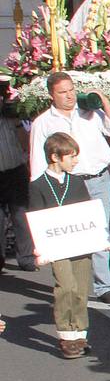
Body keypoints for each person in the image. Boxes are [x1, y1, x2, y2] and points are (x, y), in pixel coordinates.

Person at [28, 72, 110, 305]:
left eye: (71, 90)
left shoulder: (90, 113)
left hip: (98, 178)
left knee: (99, 230)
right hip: (68, 183)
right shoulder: (43, 122)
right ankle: (69, 284)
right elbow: (38, 161)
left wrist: (104, 101)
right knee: (70, 232)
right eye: (63, 92)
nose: (69, 95)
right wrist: (43, 191)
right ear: (52, 95)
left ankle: (103, 286)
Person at [28, 132, 100, 358]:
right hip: (56, 247)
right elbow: (36, 217)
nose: (75, 161)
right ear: (54, 157)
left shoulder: (77, 182)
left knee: (80, 289)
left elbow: (88, 214)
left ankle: (80, 333)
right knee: (66, 287)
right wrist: (39, 248)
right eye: (71, 156)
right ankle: (66, 335)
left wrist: (100, 238)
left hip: (80, 244)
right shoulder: (38, 185)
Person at [0, 105, 36, 272]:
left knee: (21, 215)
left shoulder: (11, 118)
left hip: (15, 169)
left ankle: (27, 258)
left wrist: (16, 122)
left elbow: (26, 144)